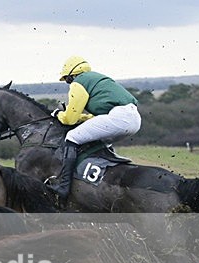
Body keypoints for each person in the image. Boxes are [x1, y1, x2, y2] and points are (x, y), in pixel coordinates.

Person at [45, 55, 141, 201]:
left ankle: (63, 187)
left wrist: (58, 114)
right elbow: (95, 119)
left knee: (72, 137)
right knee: (98, 141)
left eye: (67, 79)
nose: (68, 83)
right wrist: (81, 117)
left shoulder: (78, 83)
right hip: (133, 119)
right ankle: (103, 174)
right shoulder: (96, 79)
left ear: (72, 75)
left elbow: (70, 119)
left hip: (118, 118)